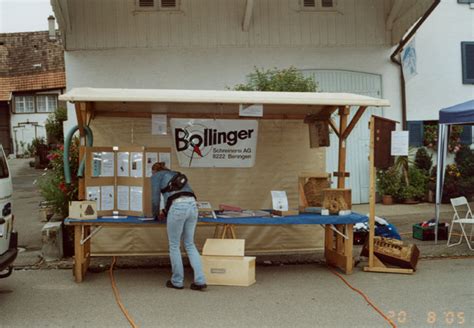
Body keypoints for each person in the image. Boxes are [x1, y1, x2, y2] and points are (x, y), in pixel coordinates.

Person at [151, 162, 207, 291]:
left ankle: (177, 281)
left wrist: (155, 215)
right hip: (193, 206)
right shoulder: (176, 174)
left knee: (174, 245)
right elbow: (180, 194)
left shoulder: (156, 176)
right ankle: (200, 280)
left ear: (154, 171)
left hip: (177, 208)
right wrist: (165, 212)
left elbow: (155, 199)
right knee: (190, 244)